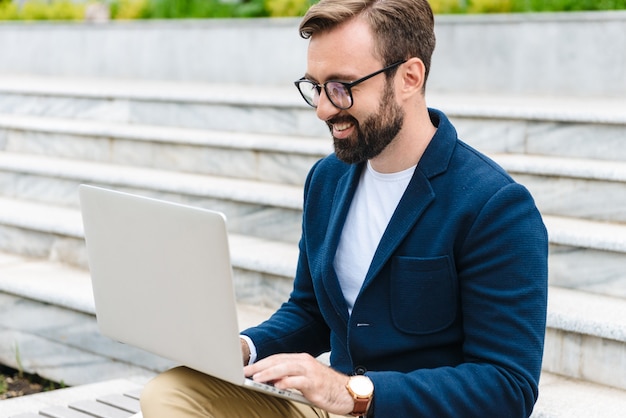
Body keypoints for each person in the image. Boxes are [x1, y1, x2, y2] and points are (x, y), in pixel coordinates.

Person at [140, 0, 548, 416]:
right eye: (315, 86)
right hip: (333, 409)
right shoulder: (327, 179)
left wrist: (351, 393)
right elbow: (311, 311)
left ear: (409, 77)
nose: (322, 108)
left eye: (341, 87)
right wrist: (243, 348)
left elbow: (507, 385)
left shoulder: (496, 207)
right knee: (171, 392)